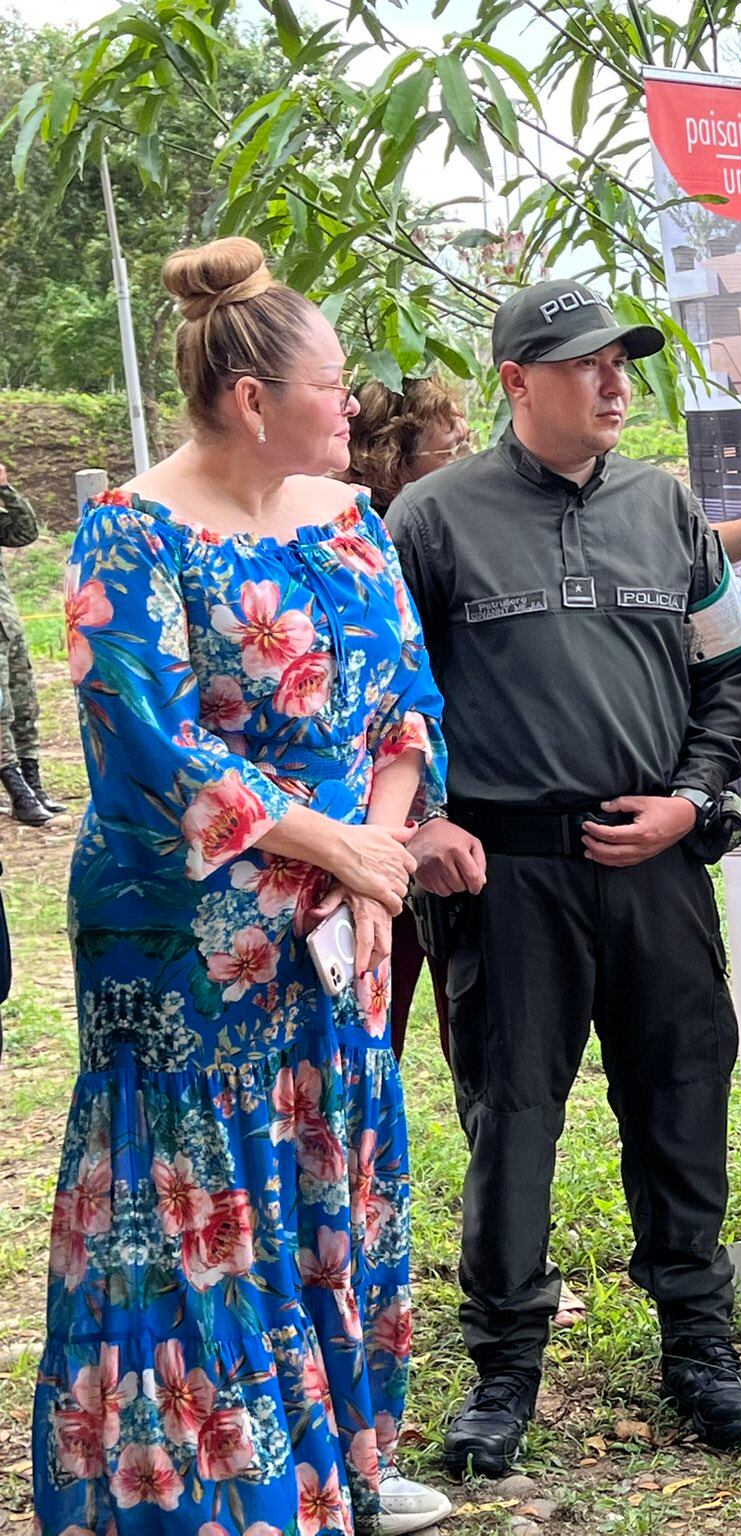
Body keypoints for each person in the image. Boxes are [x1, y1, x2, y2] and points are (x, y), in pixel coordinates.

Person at [33, 237, 451, 1536]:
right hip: (189, 949)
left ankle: (339, 1467)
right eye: (332, 387)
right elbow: (150, 752)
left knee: (336, 1179)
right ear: (250, 398)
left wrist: (379, 853)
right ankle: (221, 1498)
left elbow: (405, 705)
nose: (353, 407)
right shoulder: (130, 533)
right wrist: (343, 854)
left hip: (343, 930)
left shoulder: (348, 520)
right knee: (205, 1211)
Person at [389, 279, 741, 1473]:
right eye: (584, 364)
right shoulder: (431, 519)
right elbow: (385, 701)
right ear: (514, 382)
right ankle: (503, 1367)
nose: (614, 384)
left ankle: (699, 1344)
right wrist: (432, 823)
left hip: (656, 865)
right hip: (505, 881)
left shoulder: (666, 508)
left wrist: (692, 802)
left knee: (681, 1098)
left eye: (622, 363)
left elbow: (732, 671)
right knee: (512, 1119)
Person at [347, 376, 471, 1062]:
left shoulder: (468, 515)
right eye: (444, 429)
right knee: (372, 1011)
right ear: (390, 447)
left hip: (450, 800)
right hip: (367, 820)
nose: (463, 439)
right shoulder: (351, 538)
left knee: (474, 1021)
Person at [0, 462, 60, 824]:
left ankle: (33, 782)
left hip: (8, 626)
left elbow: (25, 531)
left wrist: (5, 489)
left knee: (25, 706)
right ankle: (17, 791)